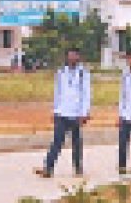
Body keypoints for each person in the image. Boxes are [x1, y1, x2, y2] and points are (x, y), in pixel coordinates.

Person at [34, 47, 91, 178]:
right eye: (69, 56)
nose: (72, 58)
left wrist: (85, 112)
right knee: (57, 141)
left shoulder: (84, 74)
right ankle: (48, 168)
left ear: (78, 57)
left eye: (74, 56)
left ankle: (78, 168)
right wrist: (55, 110)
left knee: (76, 142)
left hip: (76, 113)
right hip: (62, 112)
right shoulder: (61, 72)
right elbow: (57, 93)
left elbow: (86, 94)